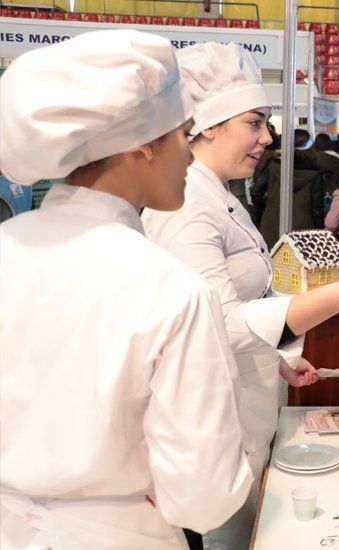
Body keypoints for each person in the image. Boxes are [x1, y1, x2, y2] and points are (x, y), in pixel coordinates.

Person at [141, 42, 339, 550]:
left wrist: (276, 358)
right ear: (208, 125)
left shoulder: (219, 195)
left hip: (242, 414)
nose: (268, 138)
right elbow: (216, 322)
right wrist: (337, 297)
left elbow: (239, 306)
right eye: (255, 122)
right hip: (209, 427)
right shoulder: (185, 207)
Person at [0, 30, 253, 548]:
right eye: (183, 135)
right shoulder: (170, 290)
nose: (188, 156)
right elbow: (205, 496)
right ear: (141, 145)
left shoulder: (8, 247)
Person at [258, 129, 325, 245]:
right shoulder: (315, 174)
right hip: (304, 234)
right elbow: (317, 209)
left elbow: (256, 192)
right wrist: (320, 231)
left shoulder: (274, 167)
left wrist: (268, 209)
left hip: (271, 227)